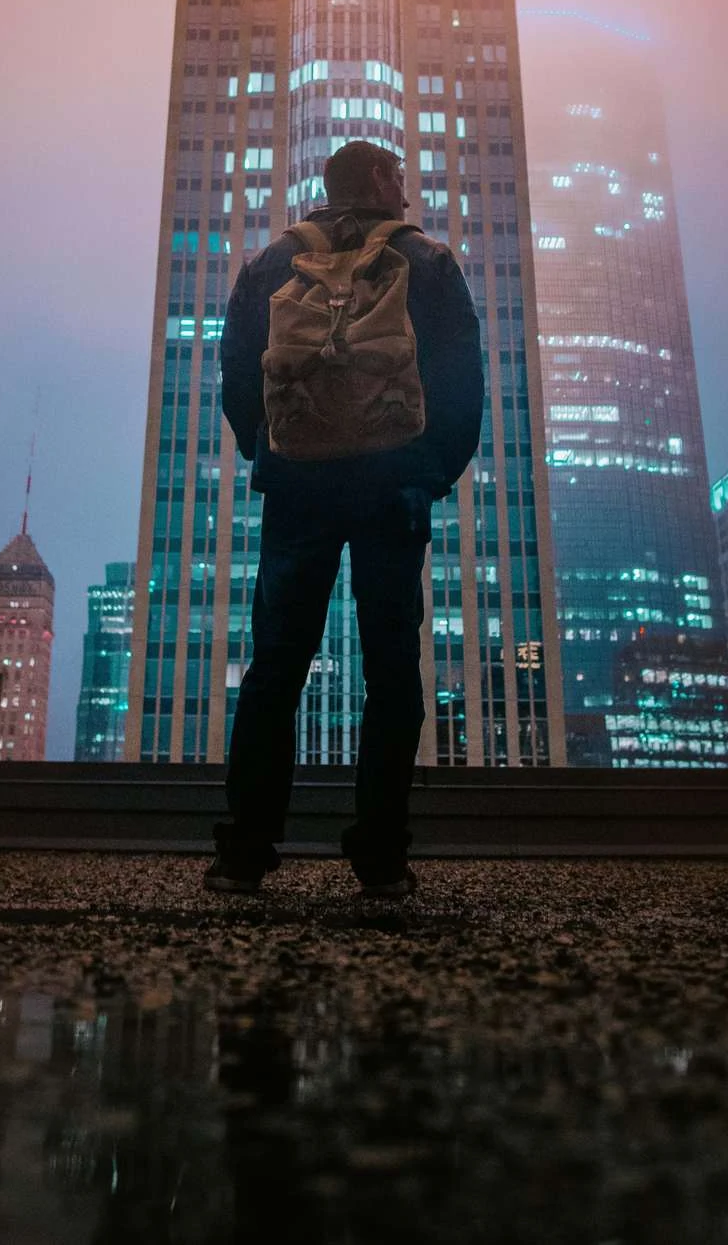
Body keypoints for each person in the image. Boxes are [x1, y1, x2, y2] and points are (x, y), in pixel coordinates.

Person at [207, 139, 483, 897]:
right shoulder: (428, 262)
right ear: (375, 180)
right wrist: (429, 473)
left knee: (276, 668)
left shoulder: (270, 264)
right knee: (391, 670)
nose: (405, 190)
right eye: (397, 176)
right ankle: (381, 856)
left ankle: (245, 850)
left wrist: (270, 452)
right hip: (393, 484)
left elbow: (236, 374)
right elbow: (462, 385)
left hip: (300, 485)